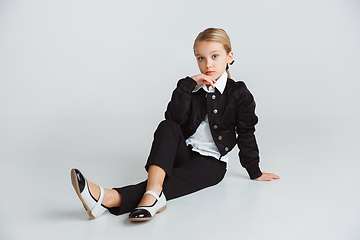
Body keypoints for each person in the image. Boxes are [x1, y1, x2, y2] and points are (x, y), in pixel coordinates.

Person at [71, 28, 280, 222]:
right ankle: (153, 194)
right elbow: (173, 119)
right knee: (167, 126)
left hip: (211, 164)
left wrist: (255, 171)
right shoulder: (193, 89)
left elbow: (246, 133)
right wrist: (187, 85)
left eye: (215, 56)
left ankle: (110, 198)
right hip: (183, 154)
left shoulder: (239, 94)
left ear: (229, 57)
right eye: (201, 58)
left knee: (172, 181)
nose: (208, 64)